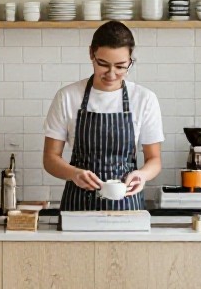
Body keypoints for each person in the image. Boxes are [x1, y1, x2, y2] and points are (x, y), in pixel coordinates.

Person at [42, 20, 163, 211]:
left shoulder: (144, 99)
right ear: (92, 54)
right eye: (103, 64)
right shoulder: (67, 96)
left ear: (130, 60)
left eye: (121, 66)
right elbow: (50, 158)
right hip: (78, 206)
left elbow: (154, 159)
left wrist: (142, 175)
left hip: (127, 205)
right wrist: (74, 174)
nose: (112, 74)